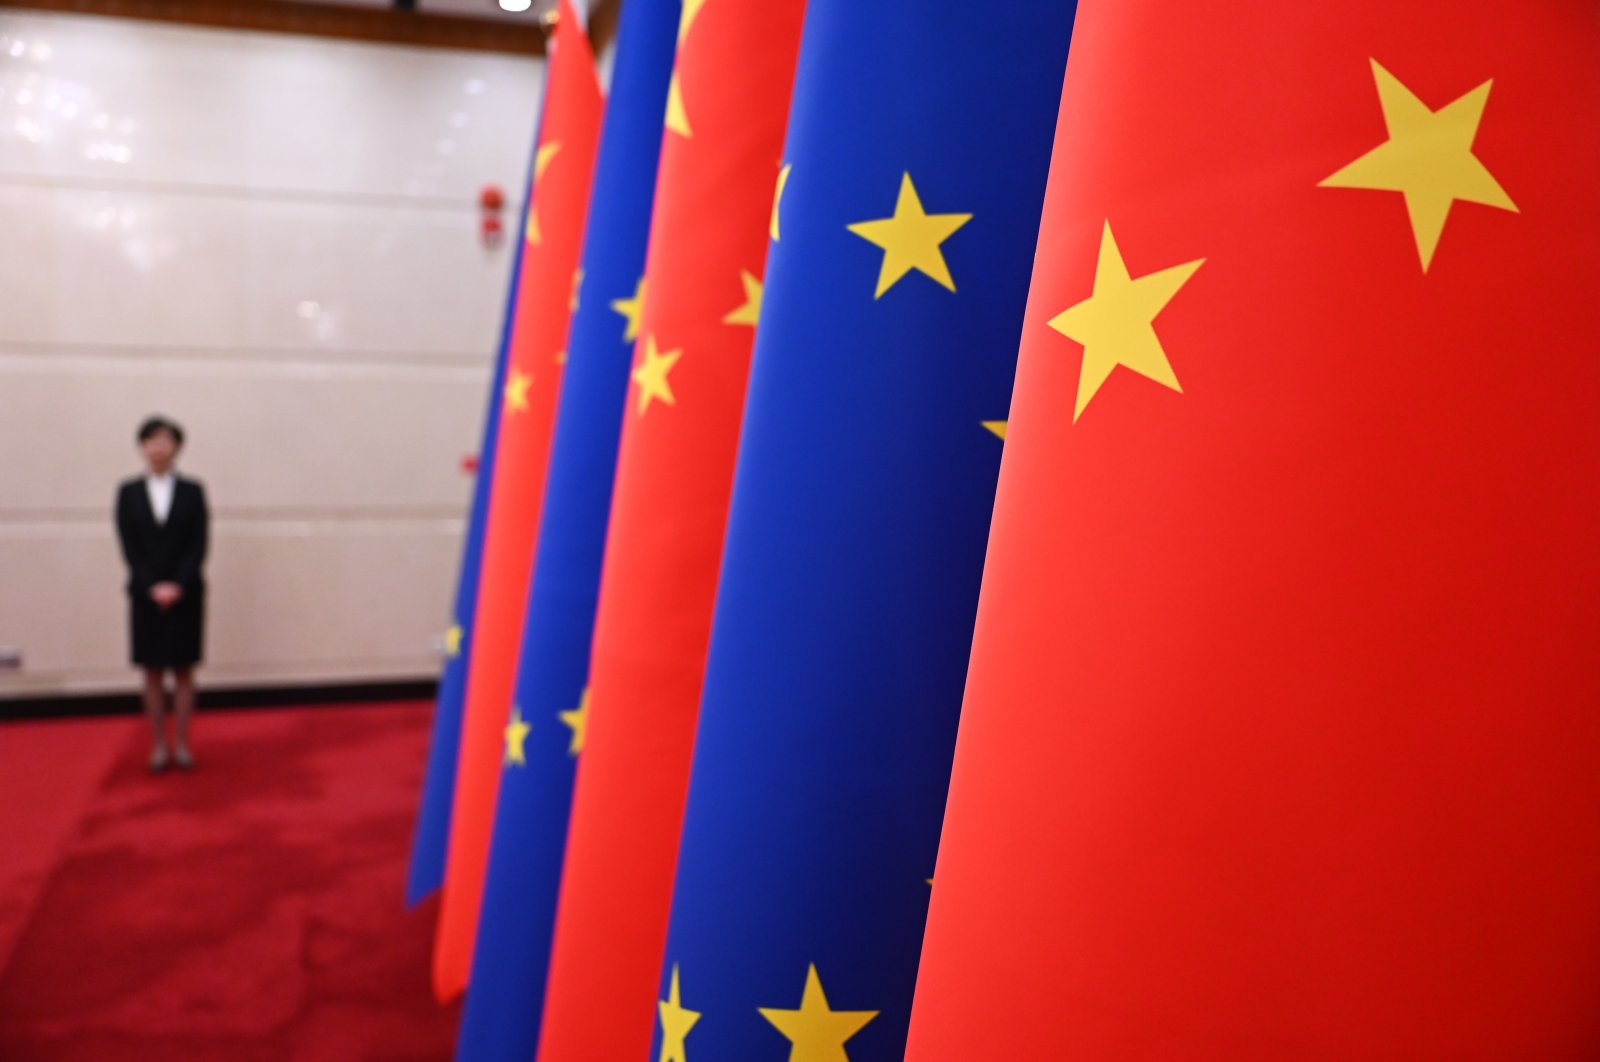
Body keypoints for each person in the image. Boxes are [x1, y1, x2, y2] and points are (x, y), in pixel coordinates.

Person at [115, 416, 209, 772]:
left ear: (177, 447)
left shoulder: (193, 491)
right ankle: (158, 745)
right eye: (151, 440)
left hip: (186, 593)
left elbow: (199, 544)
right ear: (142, 447)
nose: (158, 447)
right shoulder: (128, 492)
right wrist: (152, 585)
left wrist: (178, 584)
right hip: (145, 594)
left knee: (184, 670)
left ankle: (183, 744)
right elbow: (129, 546)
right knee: (151, 672)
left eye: (165, 440)